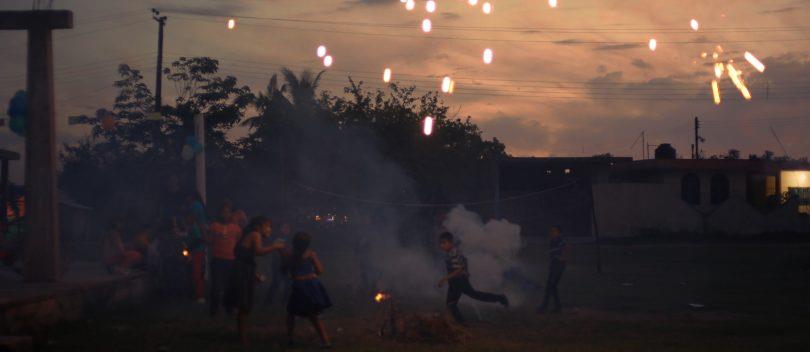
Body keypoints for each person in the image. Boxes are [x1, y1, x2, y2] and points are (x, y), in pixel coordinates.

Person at [225, 216, 286, 345]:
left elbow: (246, 257)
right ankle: (242, 338)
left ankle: (242, 335)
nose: (270, 229)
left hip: (242, 270)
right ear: (258, 227)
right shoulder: (255, 234)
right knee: (244, 304)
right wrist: (275, 247)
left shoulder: (252, 234)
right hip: (242, 271)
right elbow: (259, 252)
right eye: (267, 226)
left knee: (245, 304)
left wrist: (254, 273)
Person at [437, 231, 509, 324]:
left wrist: (444, 279)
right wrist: (466, 271)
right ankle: (500, 298)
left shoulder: (453, 253)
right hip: (456, 281)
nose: (442, 245)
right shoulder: (452, 251)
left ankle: (462, 323)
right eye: (441, 243)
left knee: (452, 303)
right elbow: (464, 261)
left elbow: (458, 269)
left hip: (459, 281)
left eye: (444, 243)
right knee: (464, 298)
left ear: (450, 242)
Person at [284, 232, 332, 348]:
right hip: (310, 285)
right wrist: (311, 275)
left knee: (291, 313)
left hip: (299, 286)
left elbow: (284, 269)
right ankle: (325, 341)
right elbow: (320, 270)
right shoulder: (310, 254)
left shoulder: (290, 255)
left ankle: (290, 339)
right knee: (313, 315)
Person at [208, 202, 242, 316]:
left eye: (228, 212)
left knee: (230, 286)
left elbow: (238, 243)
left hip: (231, 260)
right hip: (217, 260)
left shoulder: (236, 228)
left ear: (231, 214)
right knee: (216, 286)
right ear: (219, 214)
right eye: (223, 212)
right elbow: (210, 241)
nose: (225, 214)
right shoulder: (214, 226)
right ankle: (213, 310)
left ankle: (229, 309)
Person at [537, 225, 568, 313]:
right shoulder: (554, 241)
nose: (551, 233)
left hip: (557, 267)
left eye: (554, 231)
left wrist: (560, 257)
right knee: (552, 287)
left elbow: (563, 249)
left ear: (559, 233)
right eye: (551, 231)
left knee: (549, 286)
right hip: (555, 267)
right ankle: (557, 307)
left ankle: (544, 306)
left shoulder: (560, 240)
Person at [265, 222, 292, 305]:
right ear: (279, 229)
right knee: (276, 281)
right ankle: (269, 301)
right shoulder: (276, 238)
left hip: (287, 263)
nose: (286, 230)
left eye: (288, 228)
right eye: (284, 227)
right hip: (278, 263)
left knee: (288, 282)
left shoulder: (289, 238)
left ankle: (285, 300)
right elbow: (278, 251)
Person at [184, 213, 207, 303]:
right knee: (194, 273)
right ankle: (195, 294)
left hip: (197, 252)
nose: (186, 219)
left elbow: (199, 239)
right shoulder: (190, 228)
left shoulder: (194, 228)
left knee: (197, 273)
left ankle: (200, 295)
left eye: (188, 217)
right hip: (194, 252)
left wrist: (189, 248)